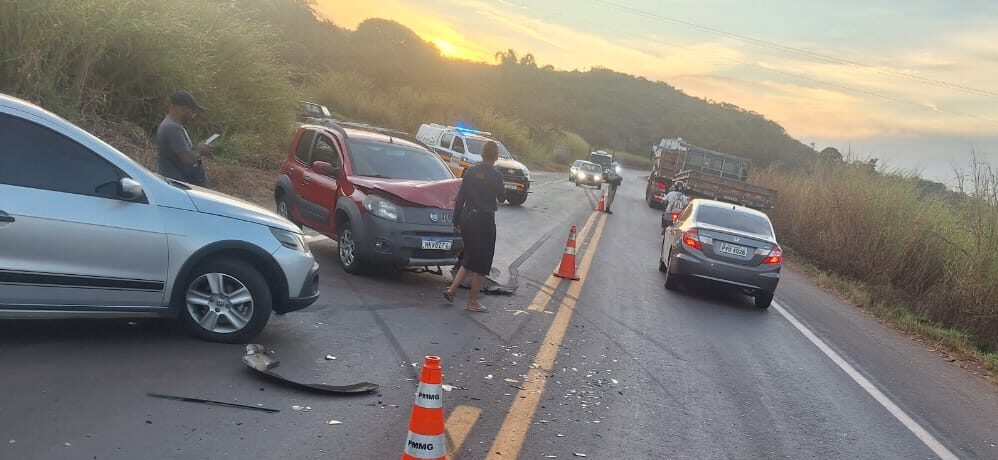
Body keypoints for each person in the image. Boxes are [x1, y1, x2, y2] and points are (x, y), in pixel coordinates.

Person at [443, 141, 505, 313]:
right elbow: (502, 197)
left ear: (482, 153)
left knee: (470, 257)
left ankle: (451, 290)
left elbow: (460, 197)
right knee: (483, 263)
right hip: (484, 221)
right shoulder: (496, 175)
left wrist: (456, 221)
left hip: (467, 218)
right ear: (496, 156)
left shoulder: (470, 171)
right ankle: (472, 302)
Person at [157, 90, 213, 185]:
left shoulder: (172, 125)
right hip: (178, 184)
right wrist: (200, 150)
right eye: (192, 111)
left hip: (178, 183)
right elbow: (187, 159)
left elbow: (184, 154)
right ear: (181, 109)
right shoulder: (172, 128)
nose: (192, 116)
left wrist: (198, 149)